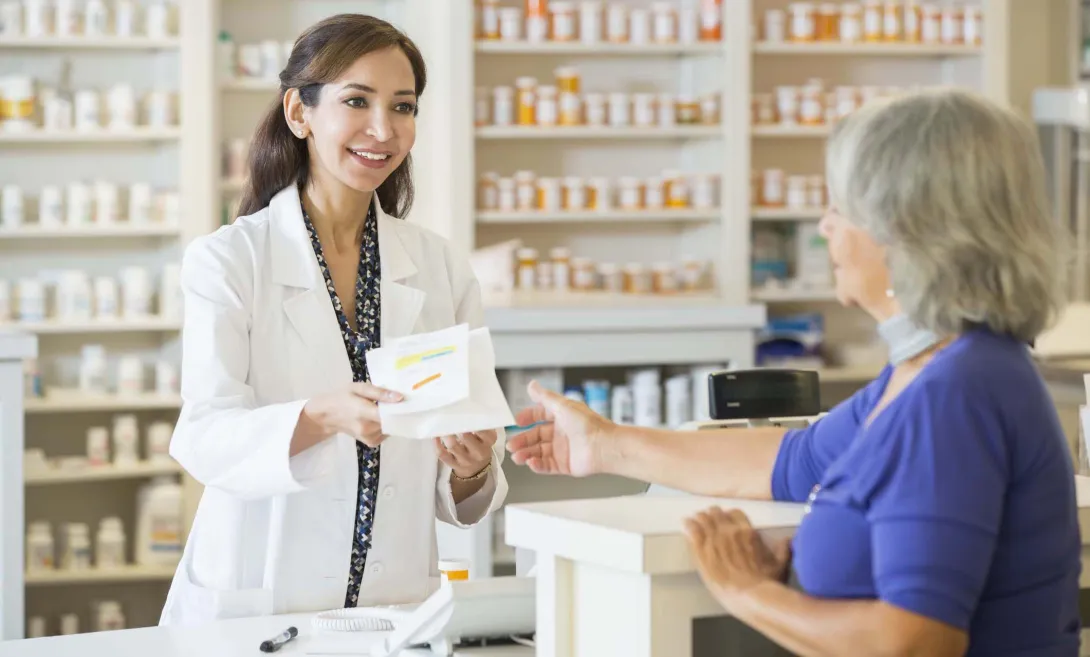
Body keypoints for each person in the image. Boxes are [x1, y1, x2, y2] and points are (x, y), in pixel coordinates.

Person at [508, 89, 1081, 656]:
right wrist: (604, 444)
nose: (824, 226)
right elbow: (793, 461)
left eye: (840, 208)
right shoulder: (924, 372)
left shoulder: (957, 392)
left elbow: (911, 643)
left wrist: (747, 591)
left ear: (907, 227)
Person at [160, 15, 507, 625]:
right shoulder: (230, 259)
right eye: (356, 100)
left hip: (392, 605)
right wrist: (320, 416)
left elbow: (467, 495)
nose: (384, 129)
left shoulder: (439, 266)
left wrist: (472, 464)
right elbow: (203, 438)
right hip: (260, 602)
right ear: (300, 113)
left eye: (404, 106)